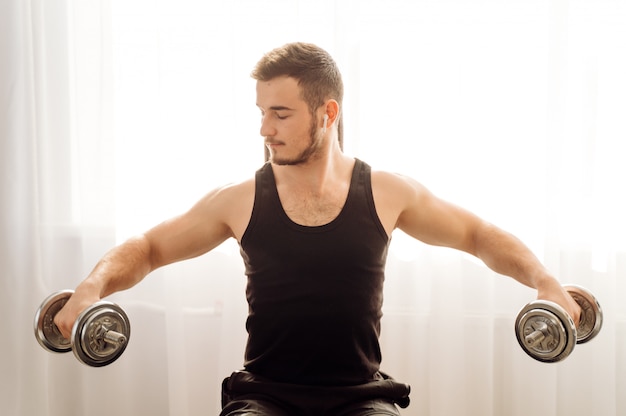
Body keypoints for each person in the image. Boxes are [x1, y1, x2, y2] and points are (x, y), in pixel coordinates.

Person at [54, 42, 582, 415]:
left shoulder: (387, 192)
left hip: (361, 397)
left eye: (280, 114)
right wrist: (90, 288)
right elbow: (148, 248)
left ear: (327, 113)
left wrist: (545, 281)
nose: (265, 130)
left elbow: (477, 234)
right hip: (264, 396)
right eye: (261, 113)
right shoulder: (239, 200)